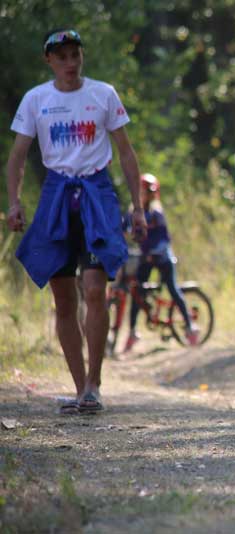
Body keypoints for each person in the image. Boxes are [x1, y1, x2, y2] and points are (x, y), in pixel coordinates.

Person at [5, 29, 147, 414]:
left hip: (97, 193)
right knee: (64, 297)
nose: (70, 62)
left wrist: (137, 208)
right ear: (49, 60)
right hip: (57, 195)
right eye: (62, 56)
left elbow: (126, 153)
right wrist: (14, 203)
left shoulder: (103, 94)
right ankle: (78, 385)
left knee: (95, 288)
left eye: (75, 55)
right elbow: (18, 156)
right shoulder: (36, 99)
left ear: (82, 57)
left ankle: (94, 384)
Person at [123, 173, 199, 351]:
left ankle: (189, 326)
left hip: (162, 257)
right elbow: (123, 229)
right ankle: (132, 331)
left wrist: (153, 252)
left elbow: (164, 238)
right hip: (145, 258)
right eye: (144, 191)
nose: (146, 195)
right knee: (137, 291)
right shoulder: (132, 213)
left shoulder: (157, 213)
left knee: (172, 288)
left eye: (149, 192)